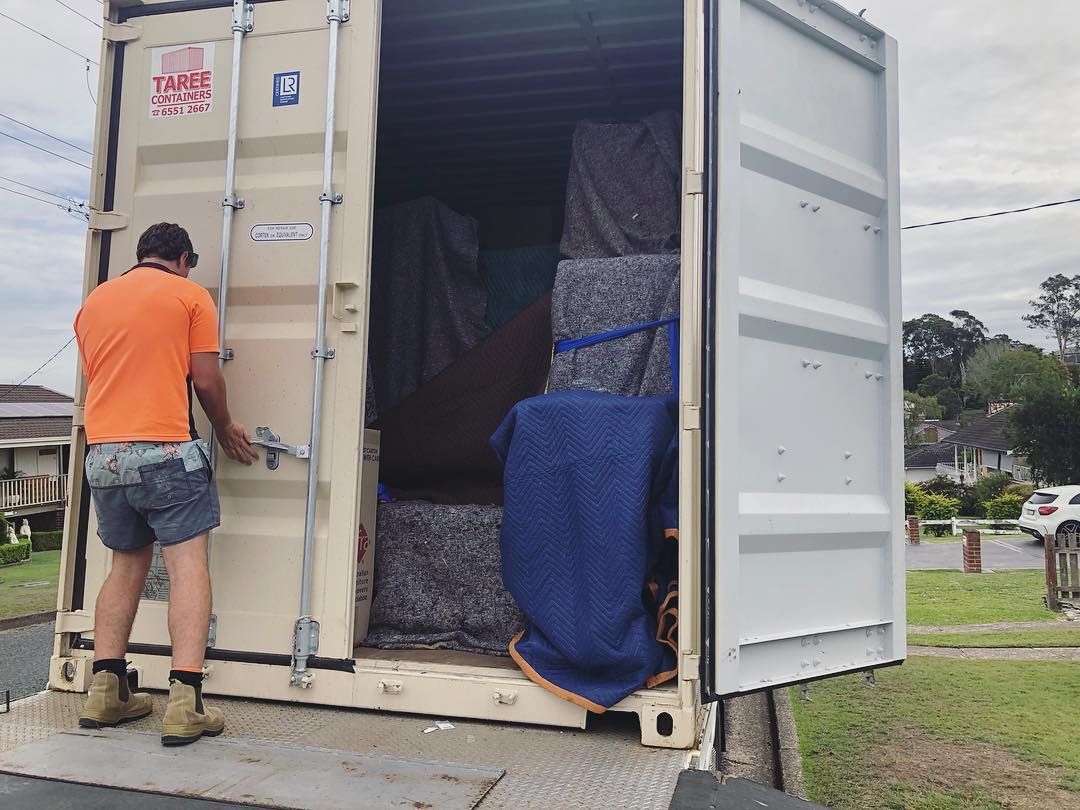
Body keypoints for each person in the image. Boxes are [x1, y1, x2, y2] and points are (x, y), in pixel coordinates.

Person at [73, 222, 259, 746]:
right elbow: (204, 377)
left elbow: (102, 377)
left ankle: (106, 691)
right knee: (186, 566)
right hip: (167, 451)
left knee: (125, 566)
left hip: (105, 455)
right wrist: (224, 426)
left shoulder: (95, 303)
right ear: (182, 257)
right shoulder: (189, 295)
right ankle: (185, 702)